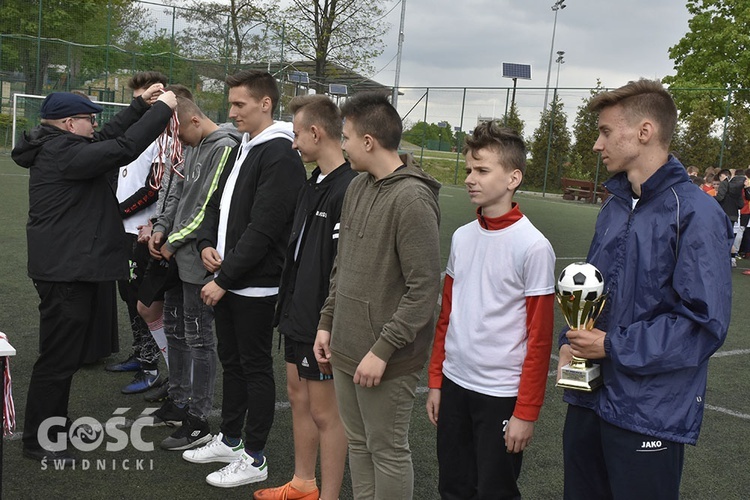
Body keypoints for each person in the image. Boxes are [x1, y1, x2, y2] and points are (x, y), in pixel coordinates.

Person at [557, 79, 732, 500]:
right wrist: (572, 340)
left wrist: (612, 346)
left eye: (604, 131)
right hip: (590, 401)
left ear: (644, 131)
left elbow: (702, 326)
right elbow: (594, 291)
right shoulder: (615, 204)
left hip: (648, 412)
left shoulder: (696, 213)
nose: (597, 145)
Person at [12, 87, 177, 464]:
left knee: (63, 355)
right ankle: (42, 441)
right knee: (57, 358)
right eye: (88, 118)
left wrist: (138, 106)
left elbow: (106, 139)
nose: (95, 124)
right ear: (70, 124)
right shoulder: (62, 152)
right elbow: (121, 148)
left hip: (68, 269)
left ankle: (51, 426)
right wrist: (162, 111)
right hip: (65, 272)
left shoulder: (61, 145)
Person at [314, 92, 442, 499]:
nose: (343, 144)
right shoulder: (356, 188)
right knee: (359, 445)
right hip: (346, 347)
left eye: (347, 136)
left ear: (369, 141)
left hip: (386, 358)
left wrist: (383, 350)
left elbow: (424, 289)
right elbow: (342, 266)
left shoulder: (413, 199)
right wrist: (326, 322)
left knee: (386, 450)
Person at [183, 70, 306, 488]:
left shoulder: (281, 153)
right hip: (228, 277)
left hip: (254, 285)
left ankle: (255, 457)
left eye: (240, 104)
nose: (231, 111)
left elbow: (266, 227)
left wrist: (226, 277)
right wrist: (203, 244)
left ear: (265, 104)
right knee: (232, 362)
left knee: (254, 368)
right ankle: (231, 439)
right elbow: (217, 203)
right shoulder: (244, 146)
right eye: (231, 103)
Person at [426, 121, 556, 500]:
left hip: (500, 395)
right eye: (469, 169)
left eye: (482, 170)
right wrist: (436, 381)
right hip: (454, 385)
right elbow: (446, 317)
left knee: (495, 490)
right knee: (453, 486)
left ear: (513, 177)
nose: (470, 178)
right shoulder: (462, 237)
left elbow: (539, 338)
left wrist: (526, 412)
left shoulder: (533, 246)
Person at [252, 95, 355, 500]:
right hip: (295, 312)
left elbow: (342, 268)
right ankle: (302, 483)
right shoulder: (313, 182)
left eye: (297, 134)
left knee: (326, 412)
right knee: (298, 397)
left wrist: (325, 322)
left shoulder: (348, 188)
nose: (293, 144)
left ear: (316, 132)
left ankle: (327, 496)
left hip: (321, 320)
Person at [147, 94, 241, 451]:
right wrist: (160, 227)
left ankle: (199, 419)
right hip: (175, 255)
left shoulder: (224, 147)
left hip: (198, 260)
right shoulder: (191, 146)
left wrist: (174, 239)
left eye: (180, 134)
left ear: (195, 122)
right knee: (176, 329)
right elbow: (177, 193)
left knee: (200, 338)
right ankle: (179, 400)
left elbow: (208, 206)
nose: (178, 143)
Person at [107, 71, 172, 395]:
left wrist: (117, 212)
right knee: (128, 297)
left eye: (146, 97)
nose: (140, 103)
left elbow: (154, 187)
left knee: (144, 300)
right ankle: (140, 353)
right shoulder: (133, 132)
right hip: (124, 231)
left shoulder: (163, 134)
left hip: (143, 233)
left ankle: (151, 367)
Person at [715, 168, 745, 267]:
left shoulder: (724, 184)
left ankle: (720, 258)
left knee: (720, 236)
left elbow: (720, 197)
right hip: (733, 215)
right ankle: (731, 259)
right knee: (729, 236)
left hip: (723, 213)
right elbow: (741, 204)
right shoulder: (737, 188)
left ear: (722, 176)